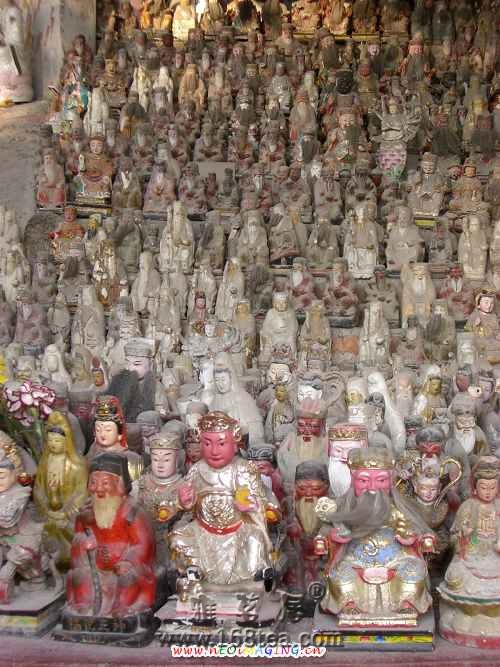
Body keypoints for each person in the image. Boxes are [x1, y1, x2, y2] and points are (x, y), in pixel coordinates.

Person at [66, 453, 156, 617]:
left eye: (105, 483)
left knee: (127, 577)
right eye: (93, 483)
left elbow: (143, 544)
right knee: (79, 575)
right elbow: (78, 537)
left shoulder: (132, 512)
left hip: (122, 566)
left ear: (119, 484)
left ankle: (120, 608)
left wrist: (128, 560)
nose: (98, 489)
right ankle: (83, 606)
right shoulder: (87, 512)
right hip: (95, 567)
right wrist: (83, 542)